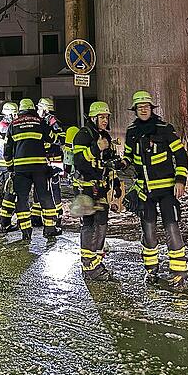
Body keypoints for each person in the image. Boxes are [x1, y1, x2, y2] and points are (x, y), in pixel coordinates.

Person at [123, 91, 188, 288]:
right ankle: (151, 270)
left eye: (146, 106)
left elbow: (181, 155)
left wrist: (180, 180)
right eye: (139, 107)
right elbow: (128, 156)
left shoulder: (165, 129)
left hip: (167, 189)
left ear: (151, 108)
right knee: (149, 231)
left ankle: (178, 271)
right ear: (135, 110)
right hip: (145, 191)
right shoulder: (132, 131)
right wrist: (121, 163)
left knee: (172, 228)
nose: (143, 110)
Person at [67, 101, 122, 282]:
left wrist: (115, 180)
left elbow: (107, 162)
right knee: (89, 224)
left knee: (102, 222)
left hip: (101, 186)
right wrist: (96, 148)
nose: (105, 120)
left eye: (107, 117)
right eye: (102, 117)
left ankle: (96, 261)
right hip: (85, 186)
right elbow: (80, 162)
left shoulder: (104, 135)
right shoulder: (83, 135)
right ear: (93, 117)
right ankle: (89, 266)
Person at [4, 98, 59, 240]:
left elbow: (7, 149)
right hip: (39, 167)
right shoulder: (40, 122)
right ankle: (49, 229)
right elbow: (52, 139)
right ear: (33, 109)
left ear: (20, 110)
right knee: (45, 197)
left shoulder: (13, 125)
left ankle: (26, 232)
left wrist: (10, 167)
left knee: (21, 199)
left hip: (21, 169)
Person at [31, 96, 65, 226]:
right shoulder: (40, 121)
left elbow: (61, 138)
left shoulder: (52, 121)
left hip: (54, 157)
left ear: (45, 109)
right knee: (39, 187)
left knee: (54, 187)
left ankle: (57, 215)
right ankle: (36, 216)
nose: (38, 110)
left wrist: (50, 140)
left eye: (40, 108)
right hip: (43, 158)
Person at [0, 102, 19, 233]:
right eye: (14, 114)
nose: (16, 116)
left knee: (10, 195)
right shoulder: (4, 128)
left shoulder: (6, 127)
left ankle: (5, 221)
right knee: (9, 195)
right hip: (7, 168)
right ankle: (5, 222)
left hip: (8, 167)